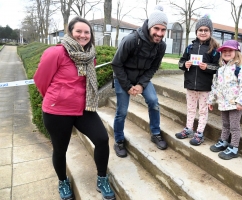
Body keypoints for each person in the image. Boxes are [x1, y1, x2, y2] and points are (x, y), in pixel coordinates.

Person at [33, 17, 115, 200]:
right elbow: (40, 81)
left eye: (87, 32)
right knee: (60, 149)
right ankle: (62, 181)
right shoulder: (56, 53)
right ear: (70, 32)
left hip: (83, 109)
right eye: (79, 31)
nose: (83, 35)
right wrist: (57, 99)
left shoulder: (89, 56)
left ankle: (102, 178)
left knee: (102, 139)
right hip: (57, 112)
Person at [111, 5, 168, 158]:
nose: (159, 33)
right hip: (123, 77)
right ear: (150, 26)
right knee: (122, 111)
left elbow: (154, 67)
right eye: (156, 28)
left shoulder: (161, 46)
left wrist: (141, 85)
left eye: (163, 30)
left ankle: (155, 133)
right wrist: (128, 86)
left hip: (142, 78)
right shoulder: (131, 40)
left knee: (154, 102)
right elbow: (116, 64)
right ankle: (119, 140)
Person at [175, 15, 220, 146]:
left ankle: (199, 133)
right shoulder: (190, 48)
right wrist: (185, 65)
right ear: (196, 32)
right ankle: (189, 129)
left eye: (206, 30)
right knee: (190, 109)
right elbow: (180, 63)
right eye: (200, 30)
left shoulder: (214, 50)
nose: (203, 32)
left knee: (202, 111)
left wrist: (207, 67)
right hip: (190, 85)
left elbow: (218, 68)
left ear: (210, 32)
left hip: (205, 87)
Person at [207, 39, 242, 160]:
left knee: (234, 126)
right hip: (223, 102)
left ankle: (234, 147)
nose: (226, 53)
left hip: (235, 104)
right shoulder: (220, 69)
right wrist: (211, 100)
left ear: (236, 52)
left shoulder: (241, 68)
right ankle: (224, 141)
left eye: (230, 50)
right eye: (224, 51)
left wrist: (241, 102)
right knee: (225, 124)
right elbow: (215, 86)